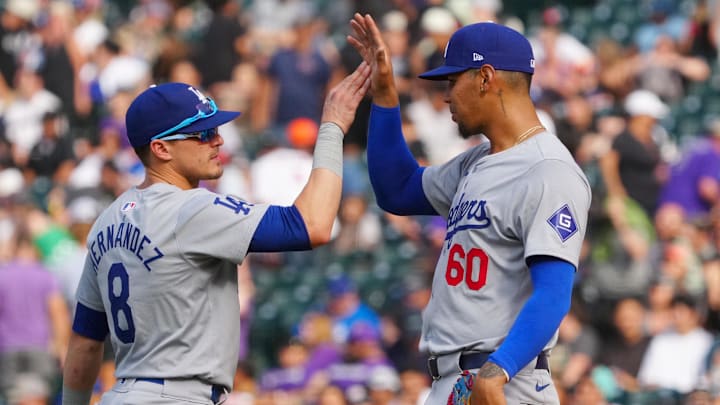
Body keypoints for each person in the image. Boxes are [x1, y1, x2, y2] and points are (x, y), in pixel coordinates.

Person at [61, 61, 370, 404]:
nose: (218, 139)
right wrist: (332, 127)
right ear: (161, 148)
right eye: (203, 133)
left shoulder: (106, 221)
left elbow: (85, 342)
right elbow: (313, 225)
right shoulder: (192, 209)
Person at [348, 15, 591, 405]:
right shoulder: (475, 162)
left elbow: (554, 293)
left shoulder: (549, 169)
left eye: (452, 81)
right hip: (453, 381)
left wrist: (497, 373)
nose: (446, 96)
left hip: (507, 381)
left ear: (485, 77)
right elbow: (397, 189)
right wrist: (385, 95)